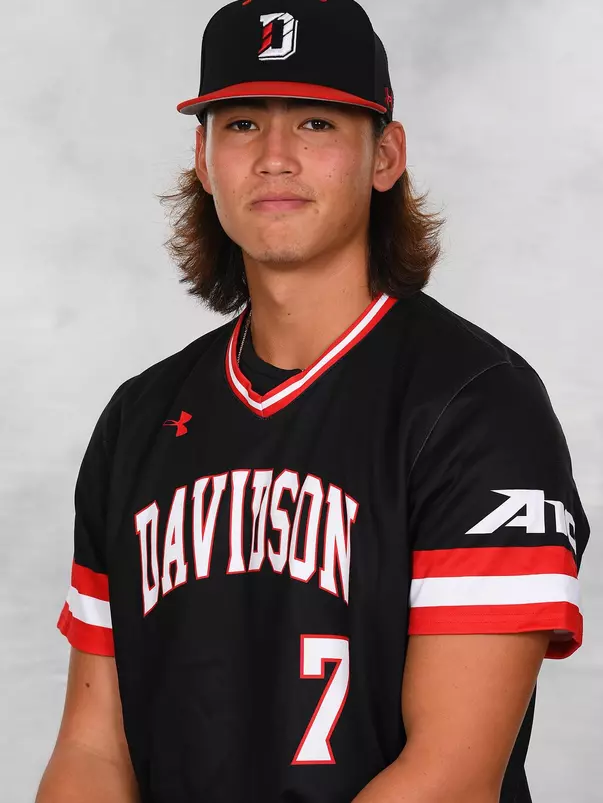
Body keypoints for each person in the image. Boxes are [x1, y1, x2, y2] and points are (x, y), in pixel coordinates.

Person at [36, 1, 590, 801]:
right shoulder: (138, 419)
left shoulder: (477, 407)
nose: (274, 158)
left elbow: (450, 777)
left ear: (385, 155)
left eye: (317, 124)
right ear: (201, 154)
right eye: (240, 125)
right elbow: (92, 752)